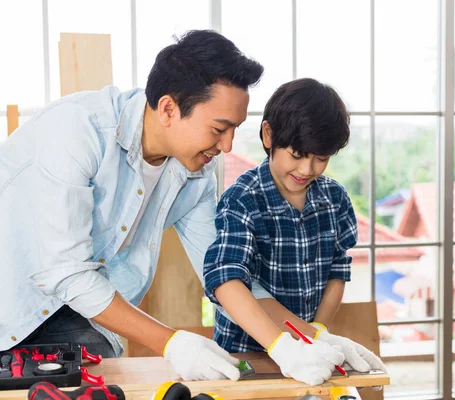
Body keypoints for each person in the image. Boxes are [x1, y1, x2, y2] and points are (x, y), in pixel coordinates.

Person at [0, 29, 263, 382]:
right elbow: (66, 271)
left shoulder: (198, 170)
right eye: (219, 129)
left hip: (72, 312)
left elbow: (218, 270)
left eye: (235, 130)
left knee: (106, 382)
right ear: (169, 108)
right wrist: (173, 343)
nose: (228, 145)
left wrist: (293, 342)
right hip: (11, 298)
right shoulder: (76, 132)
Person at [202, 78, 386, 386]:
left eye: (321, 158)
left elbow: (337, 273)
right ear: (268, 134)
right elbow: (226, 277)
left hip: (309, 352)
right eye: (297, 154)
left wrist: (317, 331)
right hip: (246, 358)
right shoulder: (242, 199)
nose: (306, 169)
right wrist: (288, 345)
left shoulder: (335, 198)